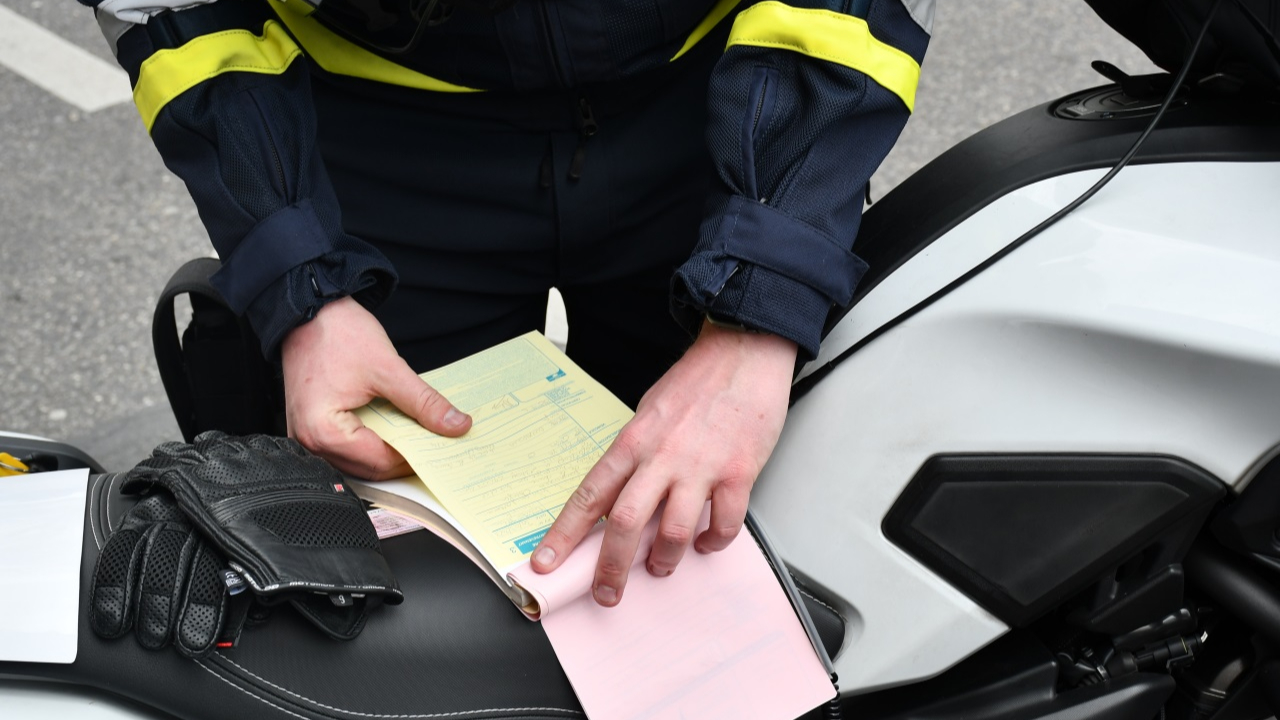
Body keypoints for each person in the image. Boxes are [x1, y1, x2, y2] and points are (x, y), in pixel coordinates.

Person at [82, 0, 932, 607]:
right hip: (375, 140)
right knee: (413, 590)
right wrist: (303, 285)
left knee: (724, 552)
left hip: (727, 107)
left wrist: (759, 308)